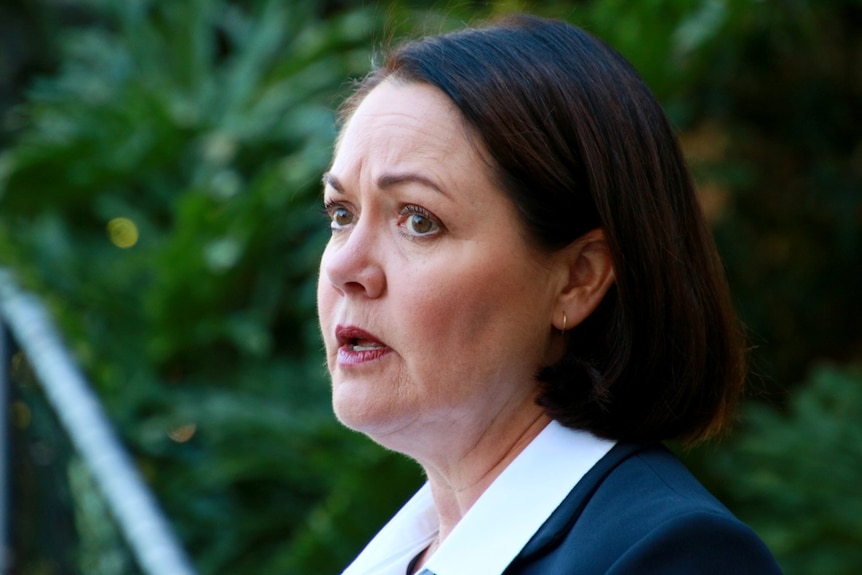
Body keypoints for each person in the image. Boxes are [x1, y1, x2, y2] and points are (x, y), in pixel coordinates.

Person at [316, 13, 783, 575]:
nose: (344, 266)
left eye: (418, 221)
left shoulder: (673, 557)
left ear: (578, 278)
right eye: (341, 214)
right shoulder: (402, 557)